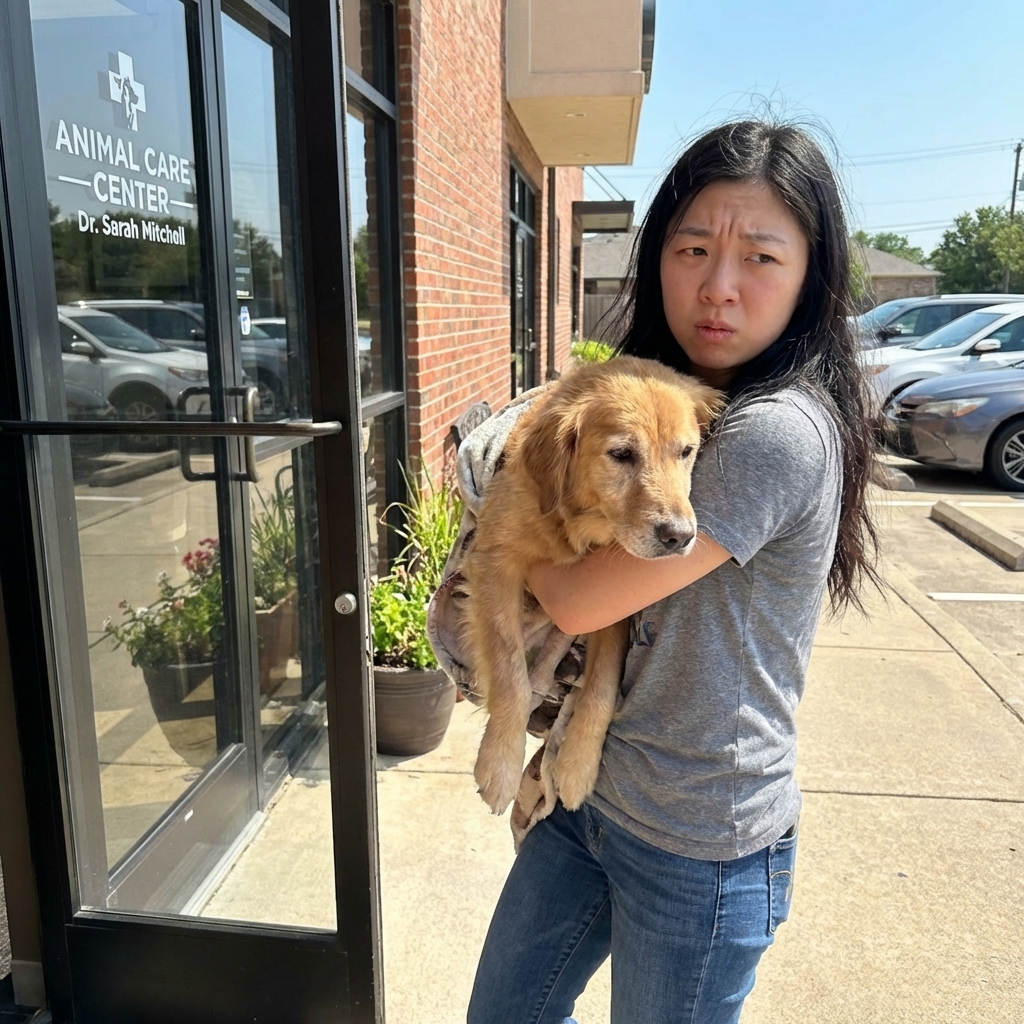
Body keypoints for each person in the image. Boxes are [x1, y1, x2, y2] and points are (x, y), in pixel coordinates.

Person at [464, 120, 881, 1024]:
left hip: (701, 842)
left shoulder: (771, 431)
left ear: (812, 275)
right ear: (658, 255)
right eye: (694, 248)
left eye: (761, 257)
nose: (718, 288)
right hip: (595, 797)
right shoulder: (660, 392)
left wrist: (510, 499)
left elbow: (574, 594)